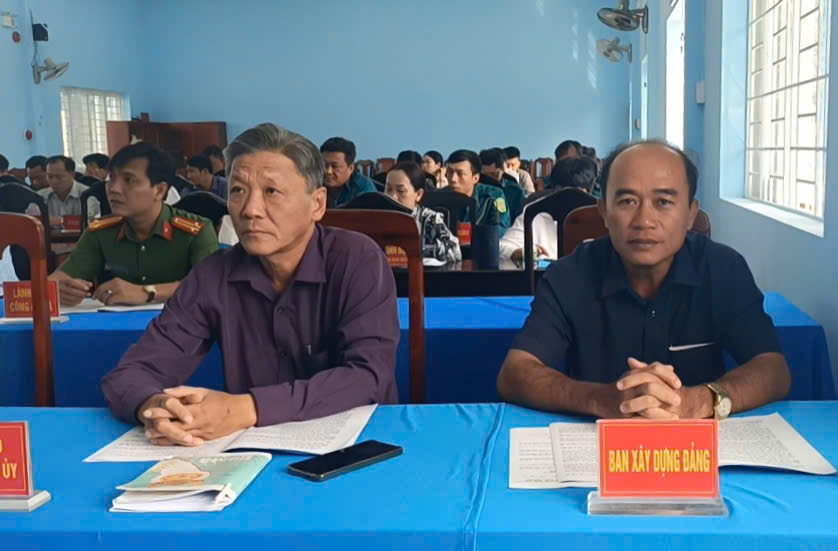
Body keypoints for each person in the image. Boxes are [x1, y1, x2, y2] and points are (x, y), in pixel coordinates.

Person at [101, 123, 400, 445]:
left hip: (359, 445)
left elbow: (368, 375)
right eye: (238, 191)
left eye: (272, 192)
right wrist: (157, 407)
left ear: (317, 203)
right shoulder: (214, 274)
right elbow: (130, 374)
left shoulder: (356, 259)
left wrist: (247, 409)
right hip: (252, 448)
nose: (250, 210)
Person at [497, 140, 790, 420]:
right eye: (627, 201)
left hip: (698, 442)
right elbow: (515, 373)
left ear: (690, 214)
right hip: (596, 439)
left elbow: (772, 369)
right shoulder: (569, 275)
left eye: (663, 202)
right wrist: (601, 399)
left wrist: (697, 402)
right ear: (604, 212)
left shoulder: (723, 269)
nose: (644, 220)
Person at [50, 143, 218, 307]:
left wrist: (146, 292)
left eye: (129, 180)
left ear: (159, 190)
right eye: (111, 179)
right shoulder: (100, 232)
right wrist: (58, 289)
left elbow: (209, 286)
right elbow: (58, 278)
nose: (113, 189)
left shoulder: (196, 231)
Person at [499, 157, 598, 262]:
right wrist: (519, 252)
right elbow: (502, 247)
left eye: (575, 195)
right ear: (554, 191)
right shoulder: (536, 211)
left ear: (588, 193)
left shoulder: (601, 215)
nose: (569, 201)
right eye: (562, 194)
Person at [384, 161, 461, 263]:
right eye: (388, 189)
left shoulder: (430, 219)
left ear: (418, 194)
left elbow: (455, 253)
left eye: (401, 191)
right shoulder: (379, 217)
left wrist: (422, 252)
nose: (392, 196)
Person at [445, 149, 510, 234]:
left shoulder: (496, 196)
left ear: (475, 178)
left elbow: (501, 225)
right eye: (449, 172)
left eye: (460, 174)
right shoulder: (439, 197)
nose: (453, 179)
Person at [320, 137, 376, 207]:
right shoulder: (313, 183)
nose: (328, 171)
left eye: (335, 166)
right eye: (324, 165)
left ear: (350, 168)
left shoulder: (364, 187)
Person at [38, 156, 93, 221]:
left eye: (59, 177)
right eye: (50, 176)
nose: (54, 181)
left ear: (72, 175)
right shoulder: (40, 196)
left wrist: (60, 221)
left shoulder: (88, 195)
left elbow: (92, 221)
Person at [480, 148, 526, 222]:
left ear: (503, 170)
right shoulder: (474, 188)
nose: (488, 178)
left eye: (493, 174)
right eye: (484, 175)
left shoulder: (515, 191)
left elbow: (521, 219)